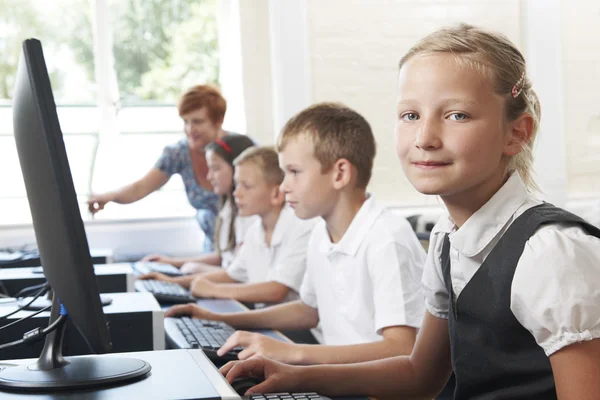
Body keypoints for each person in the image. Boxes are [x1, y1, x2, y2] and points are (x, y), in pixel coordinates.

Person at [219, 24, 600, 399]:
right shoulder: (447, 240)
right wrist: (295, 376)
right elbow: (419, 376)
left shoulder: (550, 253)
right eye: (411, 115)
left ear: (516, 133)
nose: (425, 139)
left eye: (457, 115)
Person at [167, 103, 426, 367]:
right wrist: (220, 319)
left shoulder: (386, 239)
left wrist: (293, 354)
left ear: (340, 173)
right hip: (340, 377)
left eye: (294, 172)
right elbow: (309, 311)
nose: (284, 186)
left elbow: (401, 348)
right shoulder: (321, 232)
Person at [147, 146, 315, 304]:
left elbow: (277, 290)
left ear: (276, 194)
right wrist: (172, 282)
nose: (236, 193)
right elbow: (232, 275)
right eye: (236, 184)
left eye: (246, 186)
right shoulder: (254, 232)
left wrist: (214, 290)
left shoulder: (301, 227)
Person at [88, 85, 232, 251]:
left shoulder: (239, 149)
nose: (190, 130)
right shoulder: (178, 153)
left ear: (218, 121)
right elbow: (140, 188)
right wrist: (109, 196)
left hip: (244, 249)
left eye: (197, 122)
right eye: (185, 121)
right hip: (213, 251)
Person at [139, 133, 256, 276]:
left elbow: (240, 274)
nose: (209, 176)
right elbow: (223, 257)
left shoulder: (251, 216)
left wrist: (192, 272)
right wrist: (171, 262)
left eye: (216, 168)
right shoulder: (228, 209)